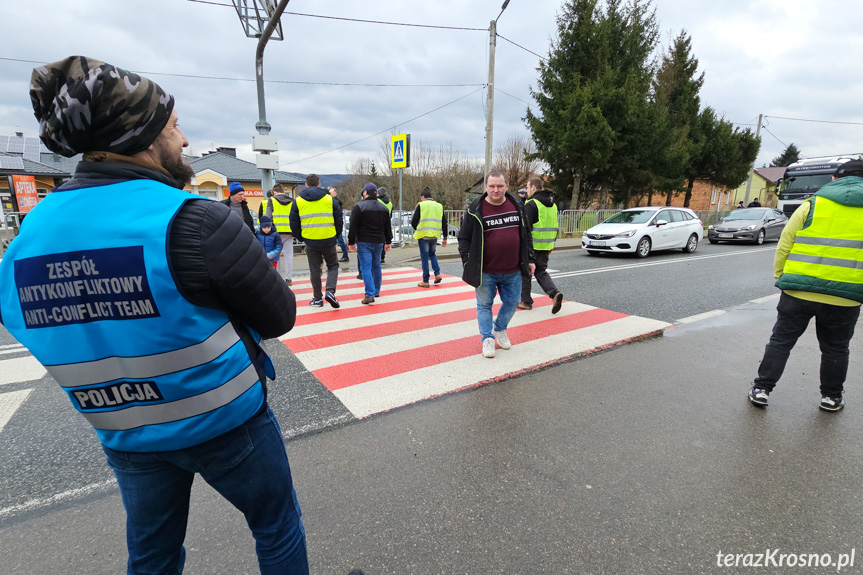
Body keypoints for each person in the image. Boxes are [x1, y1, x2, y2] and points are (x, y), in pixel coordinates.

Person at [0, 56, 308, 574]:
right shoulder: (193, 219)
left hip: (128, 435)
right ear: (142, 138)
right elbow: (279, 315)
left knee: (151, 554)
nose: (184, 140)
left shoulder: (23, 243)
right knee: (276, 528)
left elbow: (37, 326)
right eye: (174, 126)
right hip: (227, 424)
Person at [748, 159, 863, 412]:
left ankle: (762, 389)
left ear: (834, 180)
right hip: (846, 298)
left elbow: (785, 244)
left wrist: (781, 277)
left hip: (798, 291)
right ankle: (831, 397)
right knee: (836, 348)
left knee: (781, 342)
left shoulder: (811, 205)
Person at [457, 169, 535, 358]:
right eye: (491, 186)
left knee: (513, 301)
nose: (496, 190)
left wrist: (530, 258)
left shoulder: (517, 204)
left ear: (507, 186)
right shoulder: (475, 209)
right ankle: (487, 338)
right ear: (486, 187)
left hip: (513, 269)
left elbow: (526, 233)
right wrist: (467, 262)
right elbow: (463, 238)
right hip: (485, 270)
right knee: (484, 305)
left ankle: (500, 328)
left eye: (500, 186)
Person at [289, 174, 342, 308]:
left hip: (311, 240)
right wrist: (336, 235)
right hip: (328, 238)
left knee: (315, 270)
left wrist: (301, 237)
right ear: (319, 184)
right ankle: (330, 291)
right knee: (333, 266)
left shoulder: (299, 201)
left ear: (306, 185)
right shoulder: (329, 199)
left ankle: (317, 299)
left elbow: (293, 223)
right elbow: (339, 219)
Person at [519, 177, 564, 314]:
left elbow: (525, 228)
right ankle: (554, 293)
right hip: (546, 246)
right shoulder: (553, 205)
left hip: (531, 246)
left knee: (525, 273)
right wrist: (551, 246)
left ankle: (526, 302)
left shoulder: (532, 204)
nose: (526, 191)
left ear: (533, 188)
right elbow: (555, 226)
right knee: (541, 271)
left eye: (527, 187)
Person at [348, 183, 392, 304]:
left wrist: (351, 242)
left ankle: (369, 294)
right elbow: (387, 227)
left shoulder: (359, 207)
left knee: (366, 267)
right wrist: (388, 241)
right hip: (378, 241)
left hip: (364, 241)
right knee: (376, 266)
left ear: (365, 193)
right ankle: (376, 290)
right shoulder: (384, 208)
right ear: (376, 193)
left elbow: (353, 226)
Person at [411, 187, 447, 288]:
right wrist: (445, 237)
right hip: (434, 235)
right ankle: (437, 273)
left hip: (423, 235)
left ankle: (425, 280)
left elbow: (414, 221)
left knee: (424, 258)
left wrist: (418, 229)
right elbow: (444, 222)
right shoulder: (439, 206)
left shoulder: (421, 205)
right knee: (432, 254)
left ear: (423, 197)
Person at [264, 183, 296, 285]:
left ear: (274, 192)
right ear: (283, 191)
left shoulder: (272, 200)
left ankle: (277, 278)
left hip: (276, 231)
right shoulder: (292, 201)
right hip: (289, 231)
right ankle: (289, 278)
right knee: (288, 255)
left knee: (276, 255)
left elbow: (267, 217)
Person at [329, 186, 350, 262]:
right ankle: (343, 255)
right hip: (336, 223)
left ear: (335, 193)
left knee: (339, 240)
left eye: (331, 193)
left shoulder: (335, 202)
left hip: (336, 223)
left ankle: (345, 255)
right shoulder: (336, 201)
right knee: (338, 240)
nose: (329, 194)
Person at [377, 186, 393, 264]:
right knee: (384, 240)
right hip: (387, 221)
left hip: (379, 221)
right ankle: (382, 257)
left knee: (379, 240)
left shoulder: (377, 201)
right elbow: (391, 214)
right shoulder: (389, 202)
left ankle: (379, 256)